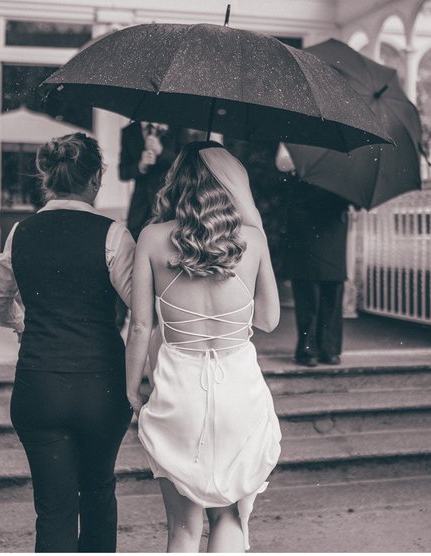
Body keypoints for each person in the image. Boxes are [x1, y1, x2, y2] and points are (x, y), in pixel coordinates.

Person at [125, 141, 282, 553]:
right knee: (229, 517)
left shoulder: (152, 238)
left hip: (179, 390)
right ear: (231, 186)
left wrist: (131, 389)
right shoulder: (252, 240)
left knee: (182, 529)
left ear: (176, 182)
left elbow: (141, 325)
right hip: (239, 391)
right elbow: (267, 320)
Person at [0, 133, 135, 552]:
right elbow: (141, 307)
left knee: (52, 509)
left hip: (39, 385)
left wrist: (20, 325)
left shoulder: (21, 232)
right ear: (95, 179)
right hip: (102, 386)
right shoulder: (114, 235)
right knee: (99, 492)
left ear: (46, 177)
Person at [276, 144, 350, 367]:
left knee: (327, 288)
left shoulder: (345, 145)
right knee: (313, 288)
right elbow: (282, 164)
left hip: (328, 221)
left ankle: (325, 349)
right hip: (311, 221)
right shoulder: (301, 141)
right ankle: (314, 349)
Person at [119, 121, 182, 240]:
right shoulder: (128, 131)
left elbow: (182, 164)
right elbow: (122, 172)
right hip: (139, 205)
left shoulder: (176, 128)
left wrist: (161, 151)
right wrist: (140, 166)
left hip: (167, 202)